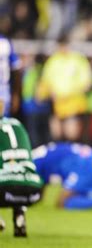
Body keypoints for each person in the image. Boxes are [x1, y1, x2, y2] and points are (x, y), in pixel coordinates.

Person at [36, 34, 92, 142]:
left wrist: (72, 94)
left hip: (73, 102)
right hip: (56, 102)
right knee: (56, 131)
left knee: (71, 132)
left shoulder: (78, 60)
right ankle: (60, 153)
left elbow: (87, 82)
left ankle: (71, 151)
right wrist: (45, 93)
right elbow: (46, 80)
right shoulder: (53, 60)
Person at [0, 99, 43, 237]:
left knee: (7, 173)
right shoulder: (18, 124)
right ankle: (20, 219)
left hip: (4, 191)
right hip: (34, 192)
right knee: (18, 168)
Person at [0, 34, 22, 117]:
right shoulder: (4, 42)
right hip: (3, 93)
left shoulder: (4, 43)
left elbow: (16, 69)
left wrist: (16, 95)